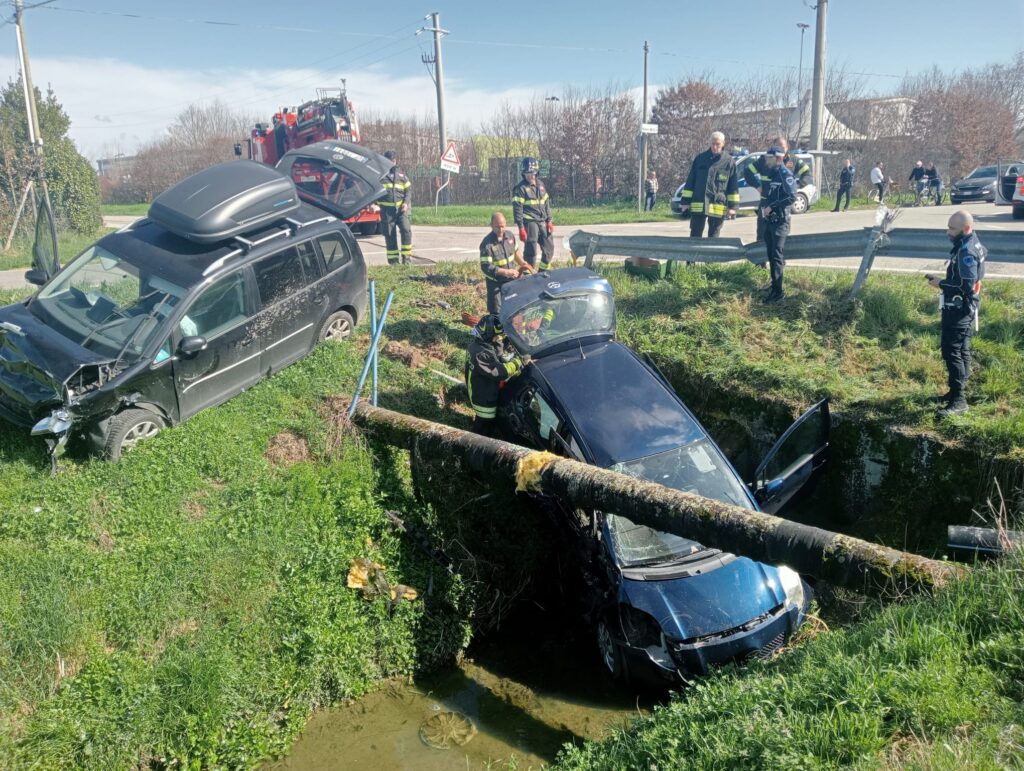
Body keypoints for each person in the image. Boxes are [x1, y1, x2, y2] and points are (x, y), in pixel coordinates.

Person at [927, 210, 985, 416]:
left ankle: (959, 401)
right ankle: (954, 393)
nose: (948, 232)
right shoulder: (970, 244)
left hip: (959, 310)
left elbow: (965, 284)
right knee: (962, 350)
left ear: (966, 228)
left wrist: (940, 283)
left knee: (953, 352)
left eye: (952, 228)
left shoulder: (967, 252)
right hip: (964, 308)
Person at [464, 314, 526, 437]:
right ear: (488, 336)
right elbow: (500, 372)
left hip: (482, 389)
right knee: (482, 428)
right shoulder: (480, 353)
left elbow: (496, 356)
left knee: (487, 424)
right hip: (483, 400)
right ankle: (474, 446)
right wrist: (519, 361)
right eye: (497, 337)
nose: (500, 339)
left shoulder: (480, 345)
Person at [743, 136, 805, 242]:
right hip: (766, 201)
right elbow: (748, 172)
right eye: (777, 145)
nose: (780, 148)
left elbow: (807, 174)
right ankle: (761, 256)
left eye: (783, 146)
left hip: (783, 204)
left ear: (787, 147)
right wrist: (757, 186)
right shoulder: (764, 159)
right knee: (763, 231)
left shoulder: (793, 160)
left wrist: (796, 186)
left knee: (780, 233)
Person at [680, 131, 740, 239]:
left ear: (723, 143)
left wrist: (732, 207)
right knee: (695, 234)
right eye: (712, 143)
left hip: (717, 205)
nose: (714, 146)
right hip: (699, 203)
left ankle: (711, 256)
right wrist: (685, 202)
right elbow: (690, 182)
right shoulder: (700, 159)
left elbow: (733, 187)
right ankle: (694, 256)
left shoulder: (729, 162)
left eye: (717, 144)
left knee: (714, 237)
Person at [760, 146, 797, 303]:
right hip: (770, 220)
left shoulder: (784, 173)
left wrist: (772, 206)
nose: (766, 161)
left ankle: (778, 292)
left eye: (769, 158)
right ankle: (775, 285)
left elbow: (791, 197)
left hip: (780, 222)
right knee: (770, 254)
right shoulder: (773, 173)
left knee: (776, 257)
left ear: (778, 158)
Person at [479, 211, 529, 313]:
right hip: (495, 283)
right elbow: (486, 267)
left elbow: (515, 252)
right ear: (491, 226)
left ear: (506, 224)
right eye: (497, 227)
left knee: (515, 307)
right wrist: (506, 272)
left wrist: (522, 263)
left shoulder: (510, 236)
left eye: (502, 226)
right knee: (496, 311)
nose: (500, 230)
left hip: (511, 280)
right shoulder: (487, 244)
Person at [512, 157, 554, 270]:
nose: (532, 175)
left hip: (543, 221)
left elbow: (546, 203)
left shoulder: (540, 185)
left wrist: (549, 220)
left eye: (533, 172)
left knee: (549, 248)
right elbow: (517, 209)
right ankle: (528, 275)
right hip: (529, 222)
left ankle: (542, 272)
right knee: (531, 251)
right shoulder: (520, 188)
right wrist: (521, 227)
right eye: (529, 173)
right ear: (524, 173)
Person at [380, 150, 413, 264]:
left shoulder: (401, 175)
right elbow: (374, 192)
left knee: (406, 230)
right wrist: (373, 205)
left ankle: (406, 259)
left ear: (395, 161)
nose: (392, 162)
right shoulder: (380, 175)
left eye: (393, 160)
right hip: (387, 211)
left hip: (400, 210)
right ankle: (393, 262)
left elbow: (408, 191)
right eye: (390, 161)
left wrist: (406, 203)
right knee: (390, 235)